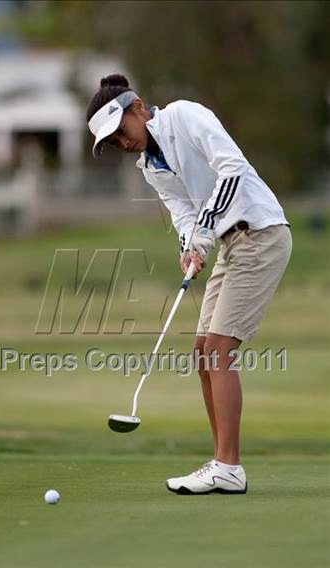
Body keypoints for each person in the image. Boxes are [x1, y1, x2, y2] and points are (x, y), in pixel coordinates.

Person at [86, 74, 292, 495]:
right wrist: (189, 245)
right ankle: (223, 463)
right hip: (228, 244)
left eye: (121, 132)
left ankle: (227, 466)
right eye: (113, 143)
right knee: (202, 352)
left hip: (260, 233)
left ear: (138, 108)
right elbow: (182, 211)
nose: (122, 145)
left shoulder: (185, 116)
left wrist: (204, 230)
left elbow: (231, 168)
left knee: (219, 350)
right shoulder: (149, 167)